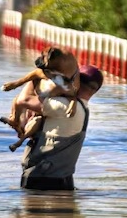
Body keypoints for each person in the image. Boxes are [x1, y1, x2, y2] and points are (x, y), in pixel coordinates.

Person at [18, 63, 104, 191]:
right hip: (63, 181)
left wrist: (36, 75)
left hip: (43, 181)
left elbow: (24, 100)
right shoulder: (83, 109)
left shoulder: (64, 106)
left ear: (75, 81)